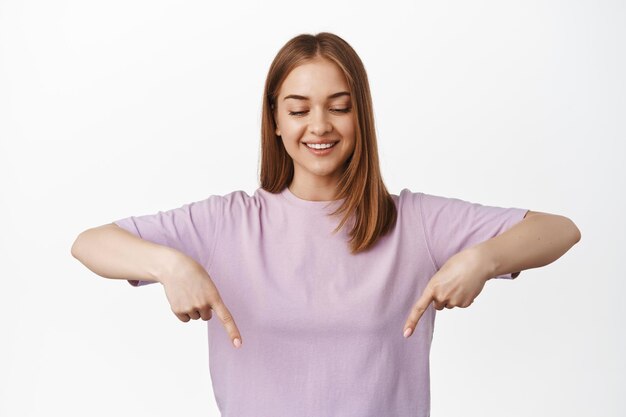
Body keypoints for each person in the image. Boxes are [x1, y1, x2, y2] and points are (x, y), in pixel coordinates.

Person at [71, 32, 581, 417]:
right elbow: (89, 243)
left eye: (339, 108)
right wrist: (168, 264)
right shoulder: (228, 223)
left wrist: (483, 258)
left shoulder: (415, 223)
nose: (319, 126)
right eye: (299, 110)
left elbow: (560, 229)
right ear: (274, 120)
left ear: (361, 116)